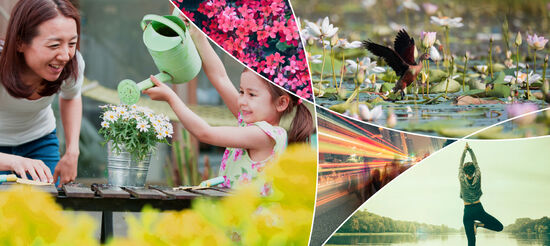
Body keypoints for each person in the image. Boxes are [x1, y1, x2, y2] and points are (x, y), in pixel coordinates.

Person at [144, 22, 313, 189]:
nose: (242, 101)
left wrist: (171, 98)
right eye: (241, 91)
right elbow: (220, 77)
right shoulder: (251, 123)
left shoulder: (264, 135)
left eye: (252, 94)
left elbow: (205, 133)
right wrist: (198, 35)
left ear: (281, 103)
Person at [0, 0, 84, 186]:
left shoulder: (72, 63)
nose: (64, 55)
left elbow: (71, 97)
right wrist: (13, 161)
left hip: (39, 142)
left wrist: (72, 151)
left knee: (46, 207)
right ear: (20, 42)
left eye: (71, 43)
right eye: (54, 45)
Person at [459, 143, 503, 246]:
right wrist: (470, 150)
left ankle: (476, 224)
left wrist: (465, 151)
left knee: (471, 243)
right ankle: (478, 225)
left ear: (464, 173)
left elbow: (460, 165)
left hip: (468, 212)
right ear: (474, 172)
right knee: (499, 227)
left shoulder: (461, 178)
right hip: (479, 210)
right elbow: (476, 163)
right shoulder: (478, 177)